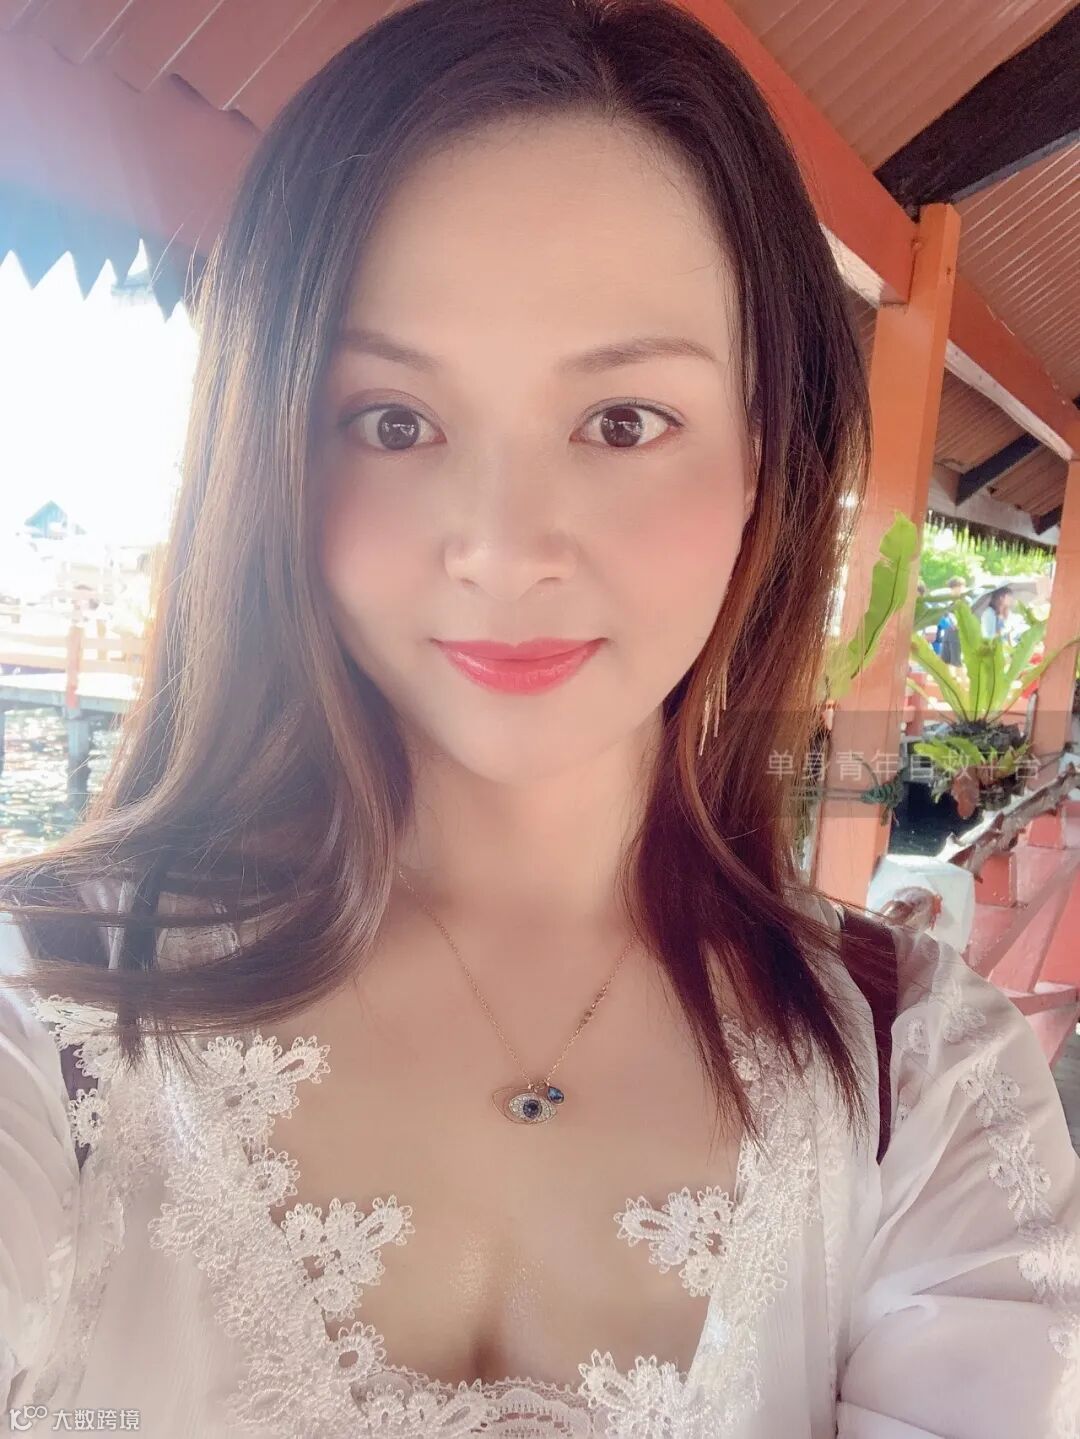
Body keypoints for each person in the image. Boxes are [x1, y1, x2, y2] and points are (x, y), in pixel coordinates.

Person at [1, 2, 1077, 1435]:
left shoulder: (918, 1081)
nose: (505, 550)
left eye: (624, 420)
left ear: (763, 462)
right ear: (272, 450)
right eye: (394, 420)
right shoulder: (50, 1006)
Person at [932, 575, 967, 667]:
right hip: (949, 630)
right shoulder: (948, 600)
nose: (954, 590)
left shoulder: (964, 600)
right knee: (944, 658)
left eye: (959, 587)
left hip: (958, 631)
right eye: (953, 588)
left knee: (956, 659)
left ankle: (959, 675)